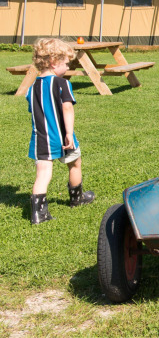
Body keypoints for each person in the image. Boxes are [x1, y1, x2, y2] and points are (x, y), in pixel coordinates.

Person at [27, 38, 95, 225]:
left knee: (43, 174)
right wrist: (68, 133)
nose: (67, 67)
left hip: (41, 138)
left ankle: (39, 214)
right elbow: (67, 108)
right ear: (53, 62)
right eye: (66, 63)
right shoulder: (61, 84)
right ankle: (77, 198)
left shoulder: (32, 87)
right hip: (62, 136)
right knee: (74, 164)